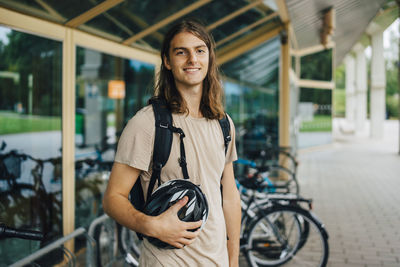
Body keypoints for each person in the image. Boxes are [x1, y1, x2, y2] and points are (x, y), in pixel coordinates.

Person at [103, 19, 241, 267]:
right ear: (167, 61)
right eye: (181, 52)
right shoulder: (147, 123)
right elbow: (113, 198)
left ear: (209, 58)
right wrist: (151, 225)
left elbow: (229, 196)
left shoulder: (223, 123)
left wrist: (233, 259)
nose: (192, 59)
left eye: (200, 50)